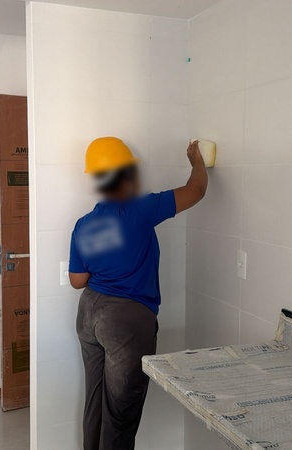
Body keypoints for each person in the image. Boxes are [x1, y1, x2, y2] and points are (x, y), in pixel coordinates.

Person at [68, 136, 208, 450]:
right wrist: (197, 161)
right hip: (126, 322)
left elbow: (77, 280)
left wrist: (104, 262)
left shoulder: (84, 224)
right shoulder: (141, 210)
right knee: (120, 414)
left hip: (88, 314)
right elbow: (197, 189)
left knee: (95, 402)